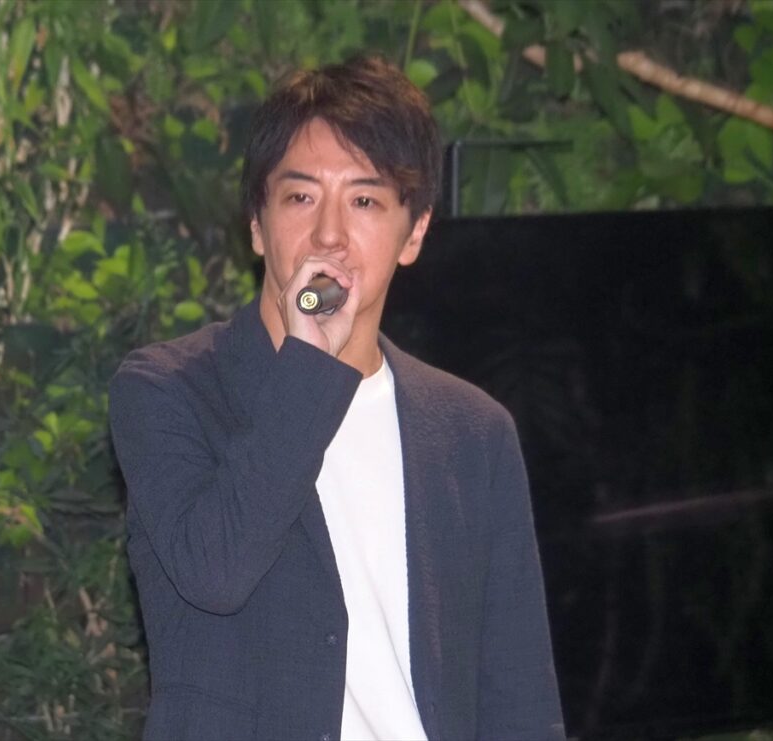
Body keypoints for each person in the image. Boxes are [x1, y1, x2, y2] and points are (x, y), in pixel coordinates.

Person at [109, 55, 564, 741]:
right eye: (300, 198)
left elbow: (519, 697)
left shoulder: (472, 431)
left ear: (414, 232)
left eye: (364, 201)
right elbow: (217, 573)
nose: (329, 235)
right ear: (257, 224)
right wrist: (309, 363)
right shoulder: (168, 391)